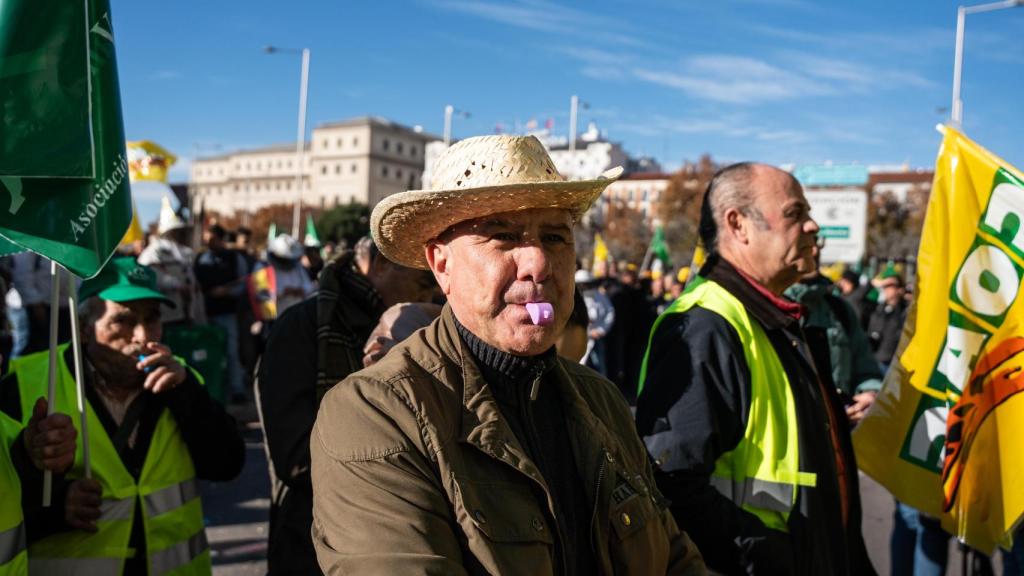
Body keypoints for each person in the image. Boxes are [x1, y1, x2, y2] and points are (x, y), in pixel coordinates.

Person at [310, 135, 704, 574]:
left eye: (555, 236)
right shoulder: (376, 413)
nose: (538, 261)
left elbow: (675, 558)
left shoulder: (602, 402)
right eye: (502, 236)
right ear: (442, 265)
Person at [636, 162, 874, 575]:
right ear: (738, 224)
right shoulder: (703, 326)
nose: (814, 226)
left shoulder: (773, 320)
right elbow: (671, 483)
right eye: (795, 213)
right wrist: (765, 558)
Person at [0, 257, 245, 574]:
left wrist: (187, 395)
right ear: (85, 328)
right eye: (124, 321)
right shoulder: (24, 384)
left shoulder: (181, 380)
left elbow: (227, 464)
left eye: (153, 318)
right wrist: (55, 509)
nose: (143, 336)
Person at [255, 239, 438, 575]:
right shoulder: (304, 327)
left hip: (409, 536)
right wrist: (377, 391)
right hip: (314, 540)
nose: (427, 300)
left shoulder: (427, 328)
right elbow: (295, 456)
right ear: (381, 265)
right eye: (423, 285)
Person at [785, 265, 883, 425]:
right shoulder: (762, 308)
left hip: (840, 436)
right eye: (802, 239)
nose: (814, 249)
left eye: (816, 239)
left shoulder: (840, 309)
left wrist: (869, 394)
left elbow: (865, 369)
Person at [194, 224, 249, 402]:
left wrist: (227, 292)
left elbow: (244, 282)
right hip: (205, 313)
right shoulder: (200, 259)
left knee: (231, 352)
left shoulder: (234, 258)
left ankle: (237, 389)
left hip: (227, 313)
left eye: (212, 238)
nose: (208, 242)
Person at [137, 197, 203, 325]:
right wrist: (177, 285)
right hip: (165, 314)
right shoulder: (153, 252)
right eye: (177, 231)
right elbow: (150, 275)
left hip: (184, 312)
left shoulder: (183, 252)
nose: (180, 234)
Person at [575, 269, 615, 376]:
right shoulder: (574, 298)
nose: (586, 287)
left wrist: (601, 330)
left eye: (587, 284)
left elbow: (609, 313)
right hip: (579, 339)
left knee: (600, 367)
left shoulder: (600, 296)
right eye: (583, 285)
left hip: (597, 338)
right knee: (578, 367)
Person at [867, 271, 908, 373]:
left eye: (891, 286)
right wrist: (875, 284)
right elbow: (856, 298)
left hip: (896, 363)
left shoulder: (905, 311)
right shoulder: (879, 309)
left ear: (900, 289)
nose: (886, 289)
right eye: (885, 286)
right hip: (876, 360)